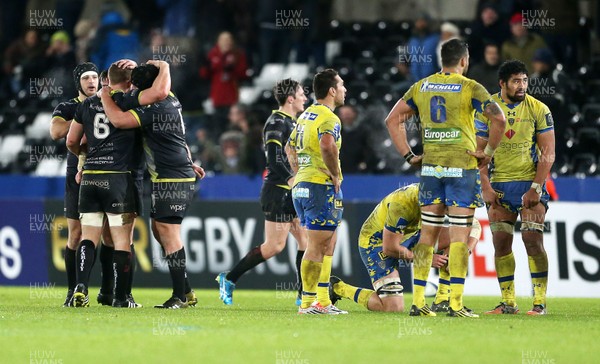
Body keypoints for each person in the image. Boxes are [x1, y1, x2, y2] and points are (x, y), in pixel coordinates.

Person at [385, 38, 506, 318]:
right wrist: (486, 152)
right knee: (460, 238)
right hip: (462, 168)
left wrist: (409, 155)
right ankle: (455, 304)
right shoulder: (470, 86)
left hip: (431, 169)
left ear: (442, 60)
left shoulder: (421, 86)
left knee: (427, 237)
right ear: (464, 60)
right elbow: (498, 118)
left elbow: (392, 120)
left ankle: (418, 302)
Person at [100, 61, 205, 309]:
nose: (133, 89)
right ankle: (186, 291)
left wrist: (105, 91)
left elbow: (119, 120)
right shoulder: (169, 96)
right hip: (170, 175)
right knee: (160, 232)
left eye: (137, 86)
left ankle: (180, 296)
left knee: (169, 234)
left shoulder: (155, 107)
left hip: (173, 177)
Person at [216, 78, 309, 306]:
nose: (305, 98)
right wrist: (291, 178)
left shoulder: (294, 122)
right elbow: (274, 157)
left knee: (306, 241)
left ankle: (303, 294)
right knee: (275, 246)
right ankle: (228, 278)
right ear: (290, 99)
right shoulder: (276, 122)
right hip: (278, 192)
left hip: (292, 191)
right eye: (301, 94)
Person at [475, 60, 555, 315]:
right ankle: (508, 303)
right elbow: (479, 153)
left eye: (524, 81)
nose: (522, 86)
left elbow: (547, 152)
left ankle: (539, 303)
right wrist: (485, 186)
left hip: (529, 184)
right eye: (516, 81)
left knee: (533, 240)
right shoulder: (486, 110)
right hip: (498, 187)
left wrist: (536, 187)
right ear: (502, 83)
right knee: (500, 243)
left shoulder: (539, 109)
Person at [330, 184, 481, 312]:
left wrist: (463, 253)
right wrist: (426, 258)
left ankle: (442, 299)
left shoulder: (435, 199)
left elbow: (474, 224)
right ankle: (339, 287)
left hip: (411, 236)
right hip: (376, 244)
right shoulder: (402, 204)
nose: (448, 212)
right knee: (392, 308)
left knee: (462, 233)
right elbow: (389, 248)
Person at [66, 65, 140, 308]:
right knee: (121, 241)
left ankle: (81, 287)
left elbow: (71, 140)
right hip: (118, 178)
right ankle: (121, 298)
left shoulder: (85, 105)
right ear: (129, 82)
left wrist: (84, 161)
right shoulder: (131, 101)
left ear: (106, 79)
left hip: (90, 178)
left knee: (88, 237)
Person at [286, 68, 347, 315]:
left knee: (327, 244)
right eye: (342, 85)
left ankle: (323, 301)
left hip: (303, 185)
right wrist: (335, 173)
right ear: (332, 90)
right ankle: (308, 302)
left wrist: (300, 172)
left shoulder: (306, 115)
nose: (345, 89)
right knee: (315, 246)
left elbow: (290, 147)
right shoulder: (329, 118)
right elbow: (327, 145)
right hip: (318, 187)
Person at [50, 62, 99, 307]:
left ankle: (104, 291)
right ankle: (73, 291)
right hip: (76, 172)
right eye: (86, 78)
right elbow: (56, 131)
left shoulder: (106, 103)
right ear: (78, 82)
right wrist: (83, 116)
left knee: (102, 235)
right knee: (76, 233)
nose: (91, 82)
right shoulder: (68, 106)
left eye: (94, 77)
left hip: (105, 169)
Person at [199, 31, 248, 138]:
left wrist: (232, 67)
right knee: (218, 125)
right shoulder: (212, 54)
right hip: (217, 97)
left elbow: (243, 73)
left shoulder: (237, 54)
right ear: (218, 42)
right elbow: (204, 74)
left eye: (228, 39)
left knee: (233, 124)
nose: (226, 42)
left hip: (232, 96)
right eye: (223, 40)